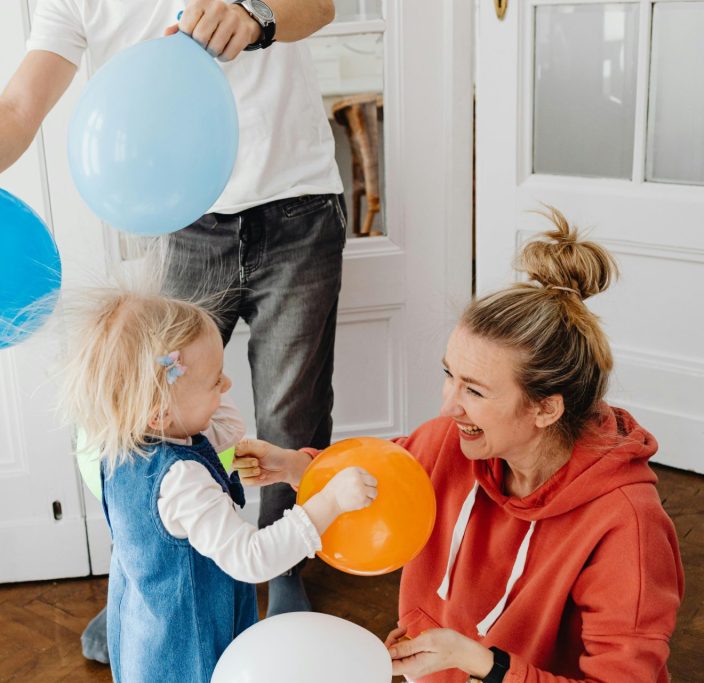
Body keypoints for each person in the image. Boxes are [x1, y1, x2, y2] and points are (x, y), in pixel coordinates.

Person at [0, 0, 346, 662]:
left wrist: (256, 14)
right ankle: (146, 583)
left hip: (297, 200)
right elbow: (15, 109)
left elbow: (319, 6)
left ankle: (284, 568)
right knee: (144, 415)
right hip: (185, 212)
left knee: (293, 405)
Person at [233, 209, 685, 682]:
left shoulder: (626, 524)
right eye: (450, 375)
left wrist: (480, 664)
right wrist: (295, 468)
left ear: (546, 409)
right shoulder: (449, 442)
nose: (449, 406)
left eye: (474, 390)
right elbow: (381, 477)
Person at [54, 286, 376, 682]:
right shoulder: (182, 480)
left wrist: (228, 459)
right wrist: (328, 503)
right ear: (159, 413)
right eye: (216, 381)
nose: (226, 387)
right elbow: (251, 557)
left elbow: (208, 449)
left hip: (144, 631)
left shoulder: (118, 446)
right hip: (192, 645)